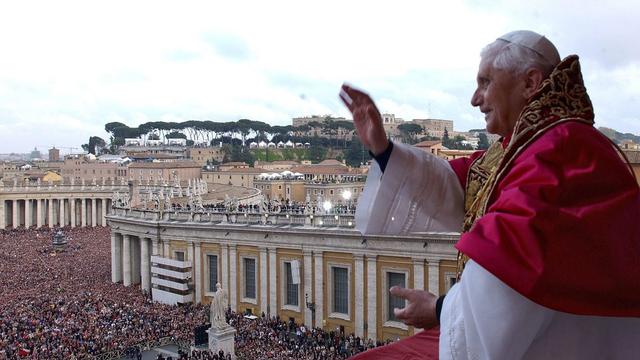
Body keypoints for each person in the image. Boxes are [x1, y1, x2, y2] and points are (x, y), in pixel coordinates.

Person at [342, 30, 640, 359]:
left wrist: (440, 308)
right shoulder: (527, 145)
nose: (474, 98)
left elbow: (508, 276)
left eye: (486, 82)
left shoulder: (560, 153)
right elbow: (459, 185)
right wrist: (383, 149)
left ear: (530, 83)